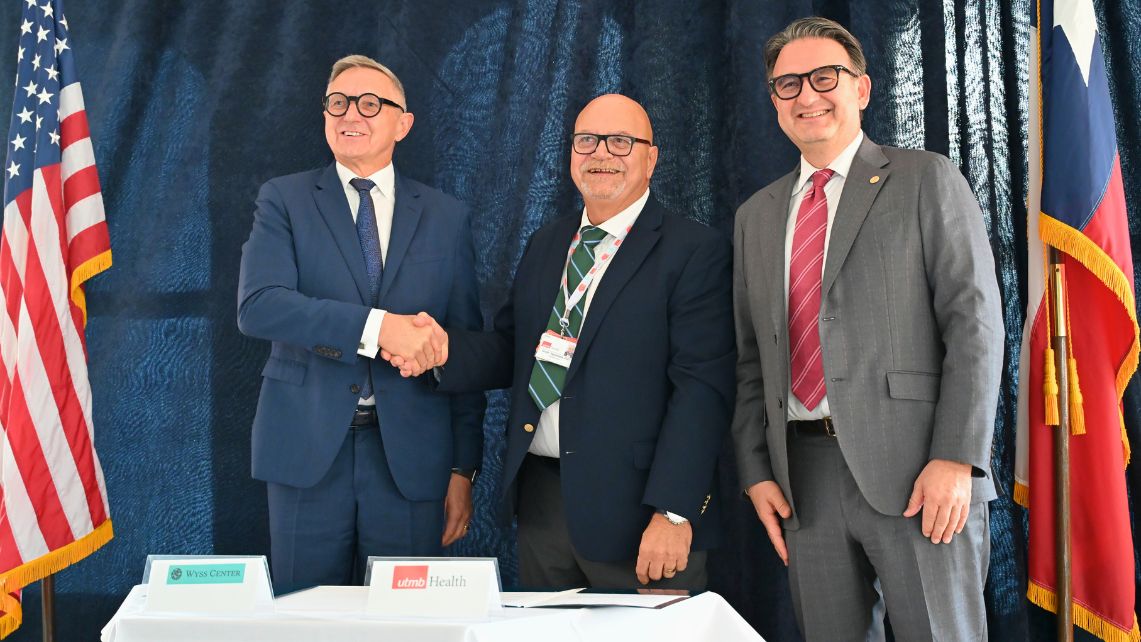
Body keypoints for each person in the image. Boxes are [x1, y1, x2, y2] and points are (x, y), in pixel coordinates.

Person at [731, 17, 1003, 641]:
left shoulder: (926, 178)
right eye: (788, 84)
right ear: (774, 101)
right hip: (803, 480)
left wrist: (956, 456)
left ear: (862, 87)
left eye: (825, 77)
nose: (807, 95)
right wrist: (756, 471)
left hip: (919, 472)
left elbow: (975, 325)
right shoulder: (755, 216)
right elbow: (750, 358)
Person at [393, 94, 734, 589]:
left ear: (651, 158)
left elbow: (702, 391)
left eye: (621, 142)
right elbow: (513, 351)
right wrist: (442, 350)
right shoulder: (547, 243)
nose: (601, 154)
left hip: (641, 516)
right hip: (542, 506)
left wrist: (675, 511)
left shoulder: (694, 251)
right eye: (587, 141)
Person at [237, 54, 485, 593]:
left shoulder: (447, 217)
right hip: (305, 449)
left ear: (403, 123)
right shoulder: (284, 199)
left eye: (370, 104)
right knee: (303, 619)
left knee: (405, 623)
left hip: (412, 460)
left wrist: (463, 469)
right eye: (338, 103)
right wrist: (377, 328)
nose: (351, 114)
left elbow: (463, 350)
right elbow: (259, 305)